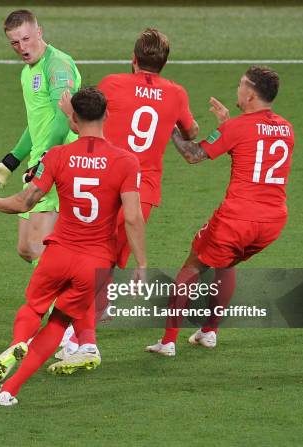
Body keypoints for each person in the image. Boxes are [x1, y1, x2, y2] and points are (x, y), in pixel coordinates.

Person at [0, 87, 147, 406]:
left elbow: (25, 201)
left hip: (59, 251)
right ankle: (9, 390)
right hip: (93, 262)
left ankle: (18, 341)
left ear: (74, 120)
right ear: (106, 116)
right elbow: (134, 218)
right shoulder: (125, 161)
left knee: (33, 307)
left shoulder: (57, 156)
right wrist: (141, 264)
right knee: (59, 322)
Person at [54, 28, 198, 371]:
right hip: (142, 189)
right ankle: (78, 335)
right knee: (107, 262)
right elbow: (190, 133)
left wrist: (65, 111)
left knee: (88, 257)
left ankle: (77, 339)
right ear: (163, 63)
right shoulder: (176, 93)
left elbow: (82, 126)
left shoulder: (113, 83)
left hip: (105, 178)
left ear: (133, 59)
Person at [145, 65, 294, 356]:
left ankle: (168, 341)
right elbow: (255, 140)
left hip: (237, 219)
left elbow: (192, 154)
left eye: (241, 85)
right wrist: (228, 124)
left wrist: (170, 126)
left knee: (191, 267)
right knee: (226, 264)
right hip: (273, 222)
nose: (237, 89)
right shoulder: (286, 128)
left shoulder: (237, 127)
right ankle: (209, 332)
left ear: (250, 94)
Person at [0, 9, 81, 265]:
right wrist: (9, 162)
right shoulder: (27, 72)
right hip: (40, 161)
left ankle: (61, 303)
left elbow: (61, 119)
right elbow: (36, 125)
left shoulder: (57, 65)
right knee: (26, 247)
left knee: (39, 246)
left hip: (59, 162)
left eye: (26, 39)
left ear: (39, 32)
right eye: (14, 42)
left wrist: (46, 160)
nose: (22, 48)